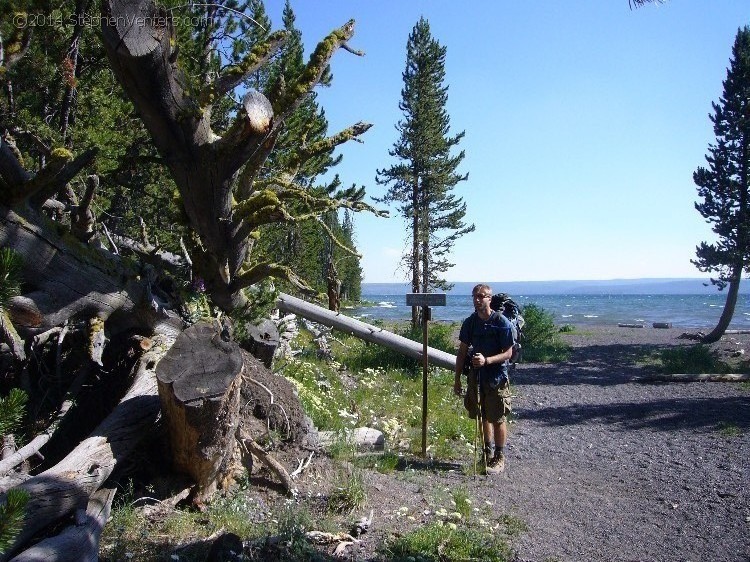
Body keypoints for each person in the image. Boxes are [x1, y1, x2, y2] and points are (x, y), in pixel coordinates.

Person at [454, 283, 514, 474]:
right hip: (476, 376)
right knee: (481, 416)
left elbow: (508, 353)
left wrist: (487, 360)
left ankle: (499, 456)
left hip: (496, 377)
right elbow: (462, 352)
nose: (477, 299)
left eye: (481, 296)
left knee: (497, 417)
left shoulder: (501, 322)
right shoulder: (470, 322)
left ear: (489, 298)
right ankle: (486, 453)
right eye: (474, 296)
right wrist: (457, 379)